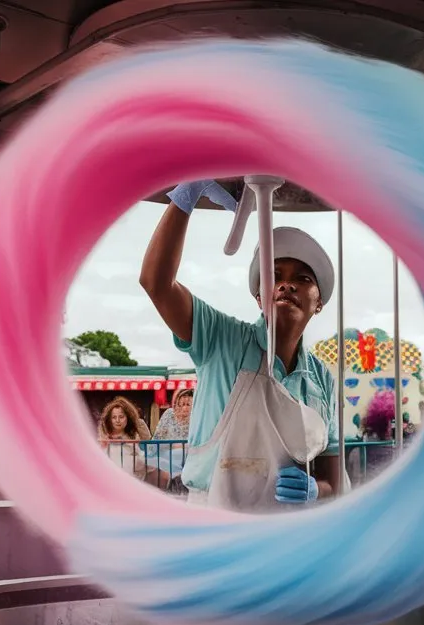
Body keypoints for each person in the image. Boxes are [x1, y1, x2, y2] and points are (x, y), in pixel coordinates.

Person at [139, 179, 342, 512]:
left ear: (319, 302)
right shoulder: (221, 339)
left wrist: (315, 490)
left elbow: (333, 480)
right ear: (259, 296)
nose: (287, 284)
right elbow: (156, 282)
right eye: (274, 275)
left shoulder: (322, 379)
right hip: (213, 525)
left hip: (287, 531)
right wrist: (186, 196)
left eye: (303, 279)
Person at [97, 396, 151, 477]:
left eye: (121, 417)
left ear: (127, 418)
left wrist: (137, 422)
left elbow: (148, 440)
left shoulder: (134, 433)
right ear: (109, 419)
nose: (117, 420)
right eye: (114, 417)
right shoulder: (104, 435)